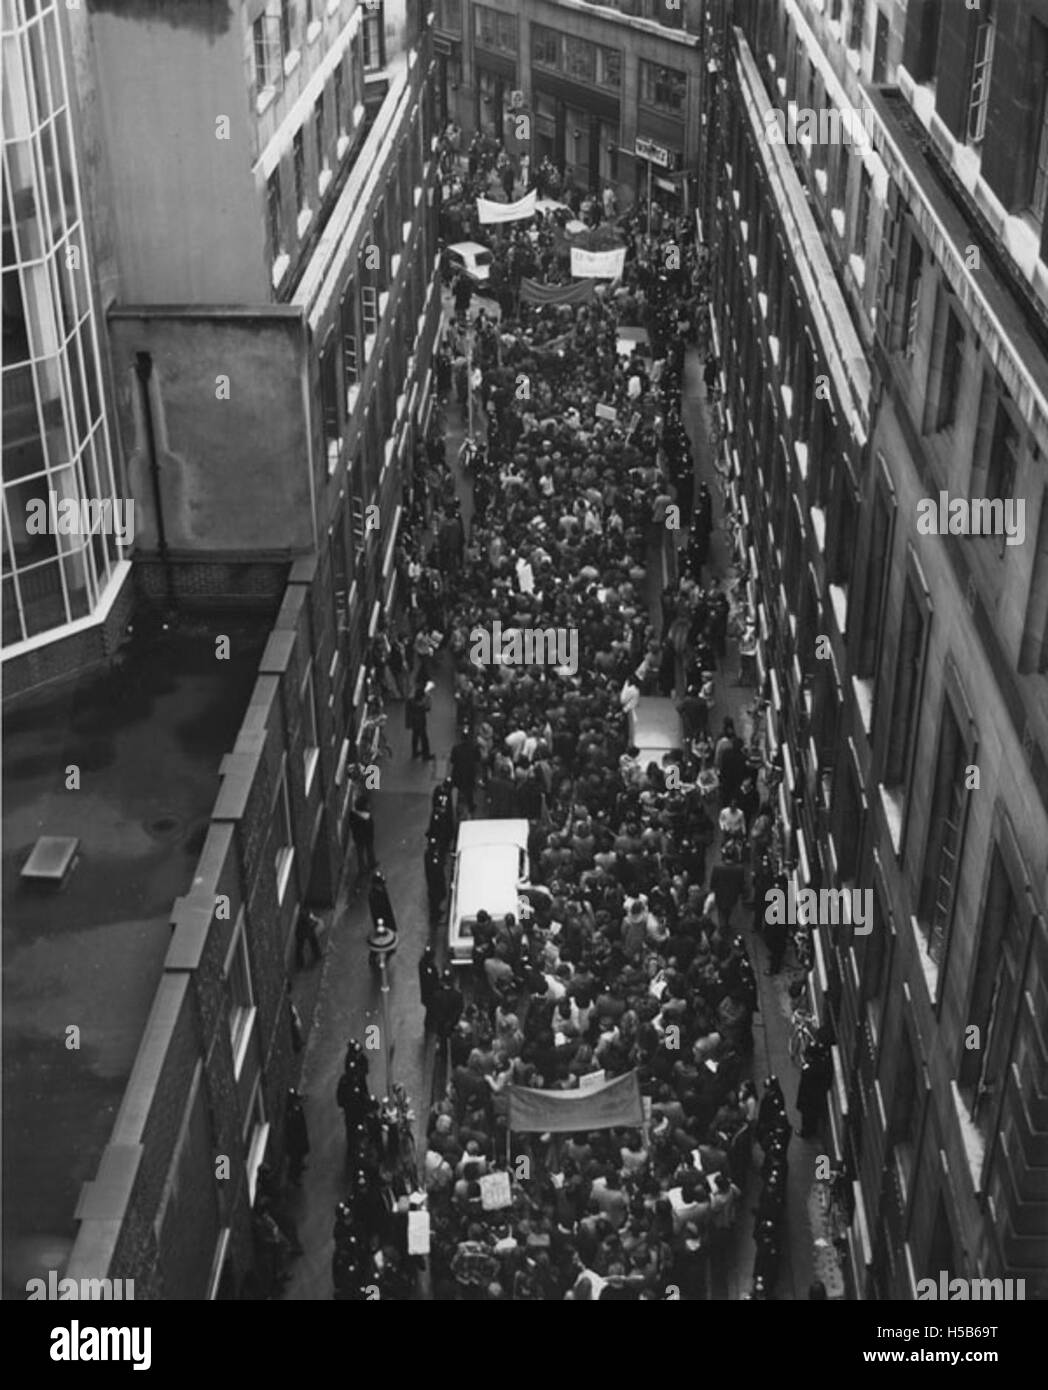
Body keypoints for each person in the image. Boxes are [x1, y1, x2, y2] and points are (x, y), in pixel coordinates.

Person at [285, 1088, 310, 1184]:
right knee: (295, 1160)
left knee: (300, 1155)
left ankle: (300, 1166)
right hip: (295, 1142)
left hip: (300, 1136)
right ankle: (294, 1177)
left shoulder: (297, 1109)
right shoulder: (291, 1114)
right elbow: (292, 1131)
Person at [349, 793, 378, 872]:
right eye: (367, 804)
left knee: (367, 850)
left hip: (364, 837)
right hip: (362, 838)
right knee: (361, 853)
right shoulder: (360, 817)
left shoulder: (357, 815)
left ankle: (371, 863)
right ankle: (363, 868)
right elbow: (357, 828)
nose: (369, 806)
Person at [368, 869, 398, 936]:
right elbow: (376, 914)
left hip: (387, 917)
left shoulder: (383, 890)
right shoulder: (373, 896)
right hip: (382, 920)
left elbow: (388, 906)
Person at [295, 905, 323, 970]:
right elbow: (311, 920)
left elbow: (311, 919)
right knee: (312, 941)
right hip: (304, 931)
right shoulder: (305, 916)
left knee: (300, 947)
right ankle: (317, 955)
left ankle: (300, 964)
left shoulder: (304, 914)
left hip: (302, 931)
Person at [419, 946, 440, 1029]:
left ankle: (430, 1023)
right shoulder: (426, 966)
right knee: (430, 1009)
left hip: (428, 993)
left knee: (431, 1009)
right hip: (429, 993)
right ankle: (429, 1025)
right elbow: (430, 980)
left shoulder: (424, 964)